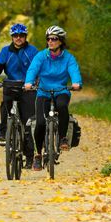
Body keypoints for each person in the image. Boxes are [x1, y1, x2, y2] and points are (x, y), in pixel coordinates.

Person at [24, 26, 83, 171]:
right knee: (40, 123)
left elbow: (74, 70)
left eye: (54, 39)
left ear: (61, 41)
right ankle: (38, 155)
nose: (50, 41)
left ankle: (62, 138)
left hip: (61, 91)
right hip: (43, 92)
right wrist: (28, 82)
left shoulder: (68, 57)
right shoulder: (41, 56)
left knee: (62, 106)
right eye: (48, 39)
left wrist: (76, 83)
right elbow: (33, 69)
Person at [0, 23, 39, 169]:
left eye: (21, 36)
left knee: (29, 122)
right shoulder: (6, 51)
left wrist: (38, 81)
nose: (18, 38)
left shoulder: (32, 51)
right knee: (5, 107)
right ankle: (4, 132)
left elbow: (39, 67)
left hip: (28, 88)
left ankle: (29, 157)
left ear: (25, 37)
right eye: (15, 36)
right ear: (12, 37)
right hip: (11, 85)